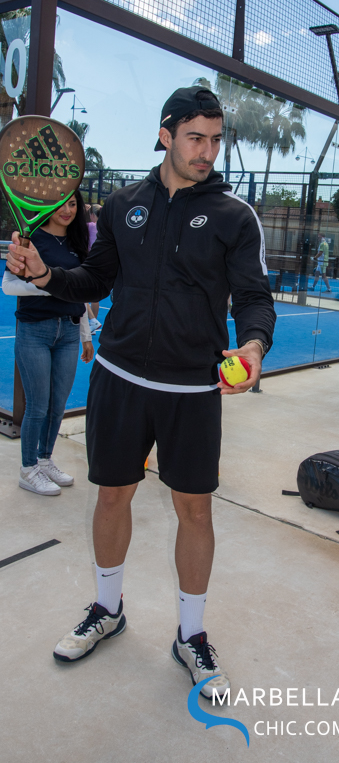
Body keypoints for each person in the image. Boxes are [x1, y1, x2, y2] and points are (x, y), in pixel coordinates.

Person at [7, 86, 276, 699]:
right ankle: (107, 608)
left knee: (195, 510)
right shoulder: (123, 203)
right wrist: (45, 274)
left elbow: (255, 299)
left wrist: (253, 347)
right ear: (166, 134)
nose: (206, 151)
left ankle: (192, 635)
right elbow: (95, 278)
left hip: (192, 389)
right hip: (121, 378)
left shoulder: (235, 216)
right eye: (194, 138)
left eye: (214, 139)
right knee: (111, 497)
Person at [2, 191, 94, 496]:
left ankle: (44, 460)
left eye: (73, 204)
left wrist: (85, 335)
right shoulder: (30, 239)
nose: (67, 210)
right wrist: (50, 287)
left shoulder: (78, 245)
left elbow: (78, 293)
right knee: (38, 406)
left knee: (57, 406)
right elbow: (8, 285)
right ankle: (28, 469)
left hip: (68, 333)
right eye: (62, 203)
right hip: (35, 332)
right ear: (49, 205)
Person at [86, 204, 102, 334]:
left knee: (82, 294)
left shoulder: (89, 226)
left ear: (92, 215)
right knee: (95, 297)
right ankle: (93, 322)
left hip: (89, 262)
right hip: (100, 263)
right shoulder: (104, 228)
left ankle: (92, 321)